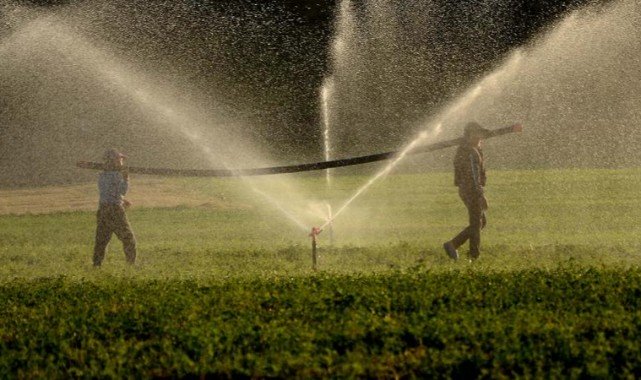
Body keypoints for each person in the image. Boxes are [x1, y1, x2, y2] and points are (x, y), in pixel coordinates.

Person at [443, 122, 490, 261]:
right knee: (476, 224)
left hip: (467, 190)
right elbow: (474, 176)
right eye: (477, 134)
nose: (480, 137)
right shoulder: (470, 152)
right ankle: (472, 255)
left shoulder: (469, 150)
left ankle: (454, 245)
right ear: (469, 135)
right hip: (471, 191)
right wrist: (481, 195)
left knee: (480, 222)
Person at [93, 148, 136, 267]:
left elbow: (109, 193)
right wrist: (126, 178)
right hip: (115, 210)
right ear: (115, 161)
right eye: (120, 159)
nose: (122, 162)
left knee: (101, 241)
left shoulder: (102, 175)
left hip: (103, 209)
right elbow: (122, 190)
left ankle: (96, 266)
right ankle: (131, 265)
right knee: (128, 239)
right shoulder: (117, 175)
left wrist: (122, 200)